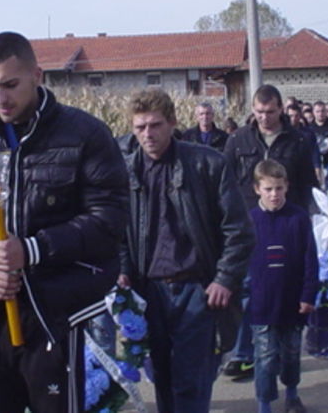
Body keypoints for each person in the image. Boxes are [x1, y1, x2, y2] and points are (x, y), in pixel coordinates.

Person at [0, 32, 128, 413]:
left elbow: (109, 219)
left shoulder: (85, 135)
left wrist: (32, 249)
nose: (0, 98)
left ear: (37, 76)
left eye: (10, 85)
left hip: (56, 314)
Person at [119, 88, 253, 413]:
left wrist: (224, 278)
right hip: (148, 290)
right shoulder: (125, 172)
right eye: (140, 128)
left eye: (155, 125)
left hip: (196, 288)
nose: (147, 135)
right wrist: (122, 270)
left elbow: (239, 230)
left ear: (173, 122)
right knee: (162, 379)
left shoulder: (207, 164)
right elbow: (117, 231)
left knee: (191, 382)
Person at [221, 85, 320, 380]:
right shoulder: (238, 140)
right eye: (259, 112)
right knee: (246, 289)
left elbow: (305, 185)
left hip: (285, 225)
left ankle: (278, 348)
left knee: (280, 287)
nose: (264, 117)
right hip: (247, 225)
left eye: (270, 112)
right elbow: (225, 183)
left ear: (281, 110)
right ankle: (243, 354)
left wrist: (300, 220)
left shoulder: (298, 140)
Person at [247, 160, 318, 413]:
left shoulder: (298, 218)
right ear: (257, 189)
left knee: (290, 353)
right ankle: (264, 403)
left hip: (292, 301)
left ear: (286, 186)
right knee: (265, 357)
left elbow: (310, 259)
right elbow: (240, 261)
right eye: (268, 189)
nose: (274, 194)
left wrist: (308, 294)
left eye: (278, 188)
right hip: (262, 303)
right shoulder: (250, 220)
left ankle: (292, 393)